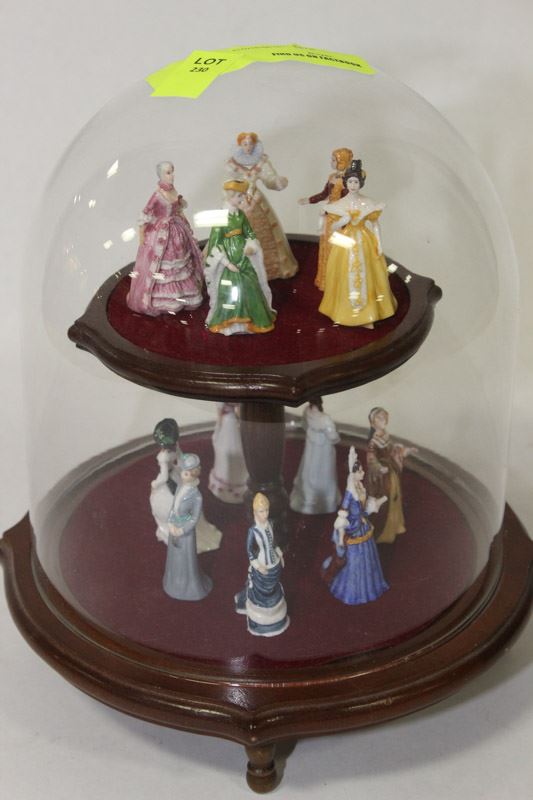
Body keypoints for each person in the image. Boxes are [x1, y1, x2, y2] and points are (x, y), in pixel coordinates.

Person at [318, 159, 397, 328]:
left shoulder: (367, 203)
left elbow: (375, 224)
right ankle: (344, 311)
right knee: (343, 271)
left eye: (356, 182)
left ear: (361, 183)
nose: (353, 185)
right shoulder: (340, 204)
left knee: (369, 272)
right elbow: (333, 227)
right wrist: (343, 221)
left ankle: (370, 312)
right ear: (346, 183)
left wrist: (379, 244)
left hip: (364, 239)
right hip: (346, 241)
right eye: (350, 182)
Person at [126, 161, 204, 316]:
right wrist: (142, 235)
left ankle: (184, 294)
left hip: (177, 231)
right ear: (161, 175)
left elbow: (179, 209)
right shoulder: (157, 195)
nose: (172, 175)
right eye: (168, 173)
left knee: (180, 263)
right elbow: (146, 213)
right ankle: (165, 298)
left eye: (172, 171)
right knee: (164, 266)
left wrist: (185, 223)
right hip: (162, 234)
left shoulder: (173, 190)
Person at [204, 179, 276, 335]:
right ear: (229, 196)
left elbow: (250, 233)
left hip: (244, 257)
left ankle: (252, 319)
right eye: (239, 196)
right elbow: (215, 244)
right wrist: (226, 263)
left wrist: (251, 245)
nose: (242, 199)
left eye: (242, 196)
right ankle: (231, 321)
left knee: (251, 284)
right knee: (230, 289)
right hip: (229, 260)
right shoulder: (221, 216)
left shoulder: (241, 215)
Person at [225, 132, 298, 280]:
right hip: (239, 201)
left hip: (256, 201)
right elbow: (227, 184)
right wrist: (231, 199)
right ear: (239, 145)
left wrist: (277, 182)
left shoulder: (261, 162)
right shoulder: (232, 165)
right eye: (245, 144)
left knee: (264, 231)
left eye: (251, 144)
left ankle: (270, 268)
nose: (248, 147)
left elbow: (269, 179)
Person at [322, 447, 389, 606]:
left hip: (363, 526)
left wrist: (373, 505)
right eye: (360, 471)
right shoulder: (350, 492)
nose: (363, 473)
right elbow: (342, 515)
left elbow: (363, 508)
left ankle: (369, 587)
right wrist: (341, 538)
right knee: (354, 563)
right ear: (353, 474)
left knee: (367, 559)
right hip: (353, 530)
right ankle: (352, 591)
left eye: (362, 470)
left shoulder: (360, 487)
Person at [150, 418, 222, 554]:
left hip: (170, 480)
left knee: (167, 505)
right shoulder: (176, 448)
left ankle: (174, 530)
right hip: (178, 476)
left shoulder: (163, 457)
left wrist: (155, 484)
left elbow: (164, 477)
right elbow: (182, 460)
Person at [298, 147, 353, 290]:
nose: (331, 162)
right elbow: (324, 194)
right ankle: (327, 280)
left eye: (334, 160)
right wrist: (309, 200)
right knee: (327, 246)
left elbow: (347, 202)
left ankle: (339, 282)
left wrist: (334, 210)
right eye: (332, 159)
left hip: (340, 219)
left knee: (338, 248)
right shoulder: (332, 177)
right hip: (329, 218)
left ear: (342, 162)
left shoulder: (349, 181)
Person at [234, 493, 289, 637]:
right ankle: (260, 614)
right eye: (261, 511)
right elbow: (249, 551)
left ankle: (274, 613)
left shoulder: (270, 523)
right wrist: (258, 566)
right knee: (262, 591)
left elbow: (274, 543)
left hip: (275, 564)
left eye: (266, 510)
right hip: (263, 566)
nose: (265, 514)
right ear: (255, 512)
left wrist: (280, 554)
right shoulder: (253, 531)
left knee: (274, 588)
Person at [163, 453, 213, 601]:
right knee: (174, 558)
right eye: (183, 472)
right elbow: (173, 507)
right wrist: (170, 522)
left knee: (185, 559)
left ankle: (188, 587)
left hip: (185, 532)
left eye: (186, 473)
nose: (183, 475)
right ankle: (173, 582)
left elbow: (194, 518)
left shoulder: (197, 496)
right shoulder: (179, 487)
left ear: (194, 474)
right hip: (174, 527)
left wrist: (182, 529)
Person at [366, 407, 418, 544]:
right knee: (384, 500)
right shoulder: (373, 441)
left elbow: (392, 451)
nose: (383, 420)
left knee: (394, 497)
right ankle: (382, 532)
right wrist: (379, 467)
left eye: (384, 417)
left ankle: (394, 526)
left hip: (390, 472)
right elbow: (371, 458)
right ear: (373, 423)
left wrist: (405, 451)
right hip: (380, 477)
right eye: (379, 418)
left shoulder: (385, 436)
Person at [289, 397, 341, 514]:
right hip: (324, 450)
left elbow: (304, 425)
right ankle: (326, 501)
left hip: (311, 448)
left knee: (309, 472)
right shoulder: (325, 419)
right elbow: (333, 436)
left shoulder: (307, 412)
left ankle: (309, 499)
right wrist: (336, 436)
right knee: (324, 474)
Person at [209, 403, 249, 504]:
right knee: (225, 454)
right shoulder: (224, 407)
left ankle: (240, 485)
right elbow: (220, 412)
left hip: (240, 425)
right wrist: (219, 426)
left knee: (240, 454)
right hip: (228, 425)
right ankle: (223, 487)